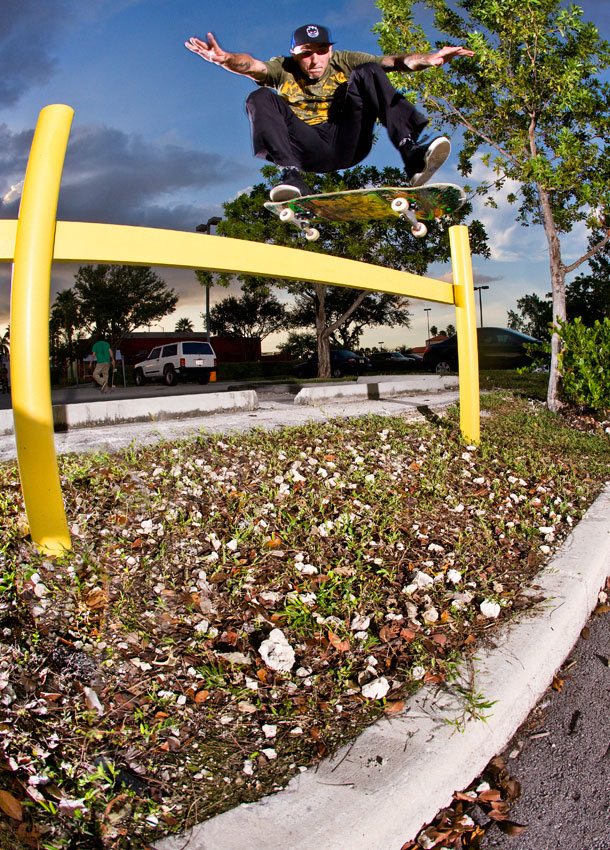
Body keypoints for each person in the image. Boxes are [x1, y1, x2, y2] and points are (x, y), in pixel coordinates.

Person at [185, 24, 473, 201]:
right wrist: (225, 61)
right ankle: (291, 177)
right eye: (306, 53)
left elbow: (395, 61)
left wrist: (428, 59)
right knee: (258, 97)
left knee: (369, 71)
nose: (314, 60)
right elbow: (251, 65)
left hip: (347, 141)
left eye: (321, 51)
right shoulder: (281, 68)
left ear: (329, 50)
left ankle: (410, 153)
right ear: (294, 53)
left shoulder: (344, 60)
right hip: (305, 149)